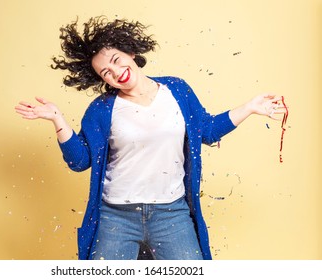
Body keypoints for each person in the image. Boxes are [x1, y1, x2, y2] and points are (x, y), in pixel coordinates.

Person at [15, 16, 286, 260]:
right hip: (116, 217)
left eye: (116, 60)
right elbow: (79, 161)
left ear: (130, 52)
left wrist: (250, 108)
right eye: (105, 73)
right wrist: (56, 119)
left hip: (172, 214)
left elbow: (207, 130)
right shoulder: (101, 109)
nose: (115, 71)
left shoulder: (177, 90)